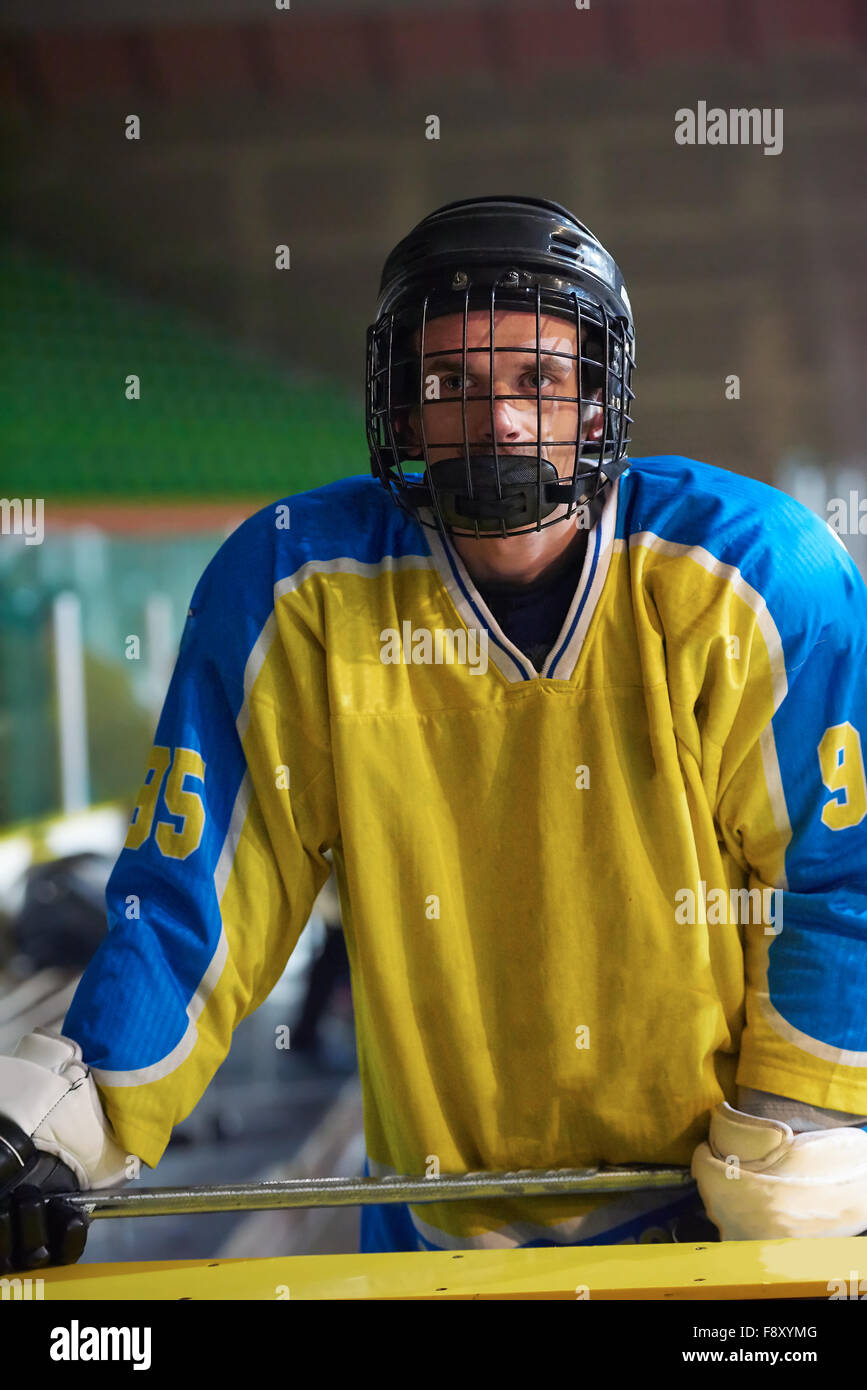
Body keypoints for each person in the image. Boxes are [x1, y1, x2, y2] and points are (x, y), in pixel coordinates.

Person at [1, 196, 866, 1270]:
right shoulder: (292, 591)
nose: (499, 421)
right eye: (453, 384)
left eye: (538, 381)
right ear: (401, 413)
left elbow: (839, 882)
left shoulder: (757, 579)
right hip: (438, 1243)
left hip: (703, 1233)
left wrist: (802, 1139)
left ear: (597, 404)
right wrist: (57, 1121)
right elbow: (192, 900)